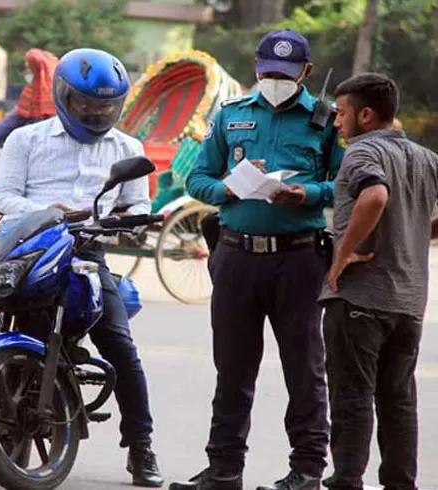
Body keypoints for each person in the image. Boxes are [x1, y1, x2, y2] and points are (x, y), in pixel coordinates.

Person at [0, 48, 165, 488]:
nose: (97, 113)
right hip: (27, 242)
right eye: (86, 104)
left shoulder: (128, 148)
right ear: (63, 95)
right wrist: (49, 212)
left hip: (85, 254)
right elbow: (3, 196)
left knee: (121, 347)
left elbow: (138, 202)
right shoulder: (26, 139)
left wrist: (127, 222)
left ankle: (141, 447)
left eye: (106, 106)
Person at [171, 29, 345, 490]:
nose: (275, 80)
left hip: (299, 260)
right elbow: (197, 178)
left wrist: (306, 192)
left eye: (285, 75)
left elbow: (345, 184)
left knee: (304, 368)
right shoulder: (230, 116)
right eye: (268, 72)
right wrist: (226, 188)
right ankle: (224, 468)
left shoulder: (326, 121)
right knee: (232, 367)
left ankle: (307, 469)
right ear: (255, 67)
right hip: (236, 256)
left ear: (306, 73)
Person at [319, 73, 438, 490]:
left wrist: (345, 252)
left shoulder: (362, 151)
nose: (337, 123)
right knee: (398, 399)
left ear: (366, 115)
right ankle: (400, 483)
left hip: (361, 296)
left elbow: (374, 196)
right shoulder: (425, 158)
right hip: (408, 301)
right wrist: (415, 231)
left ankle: (347, 478)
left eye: (343, 114)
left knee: (352, 395)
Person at [0, 48, 57, 148]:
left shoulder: (57, 97)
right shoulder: (31, 92)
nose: (26, 72)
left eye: (29, 68)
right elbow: (14, 119)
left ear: (40, 70)